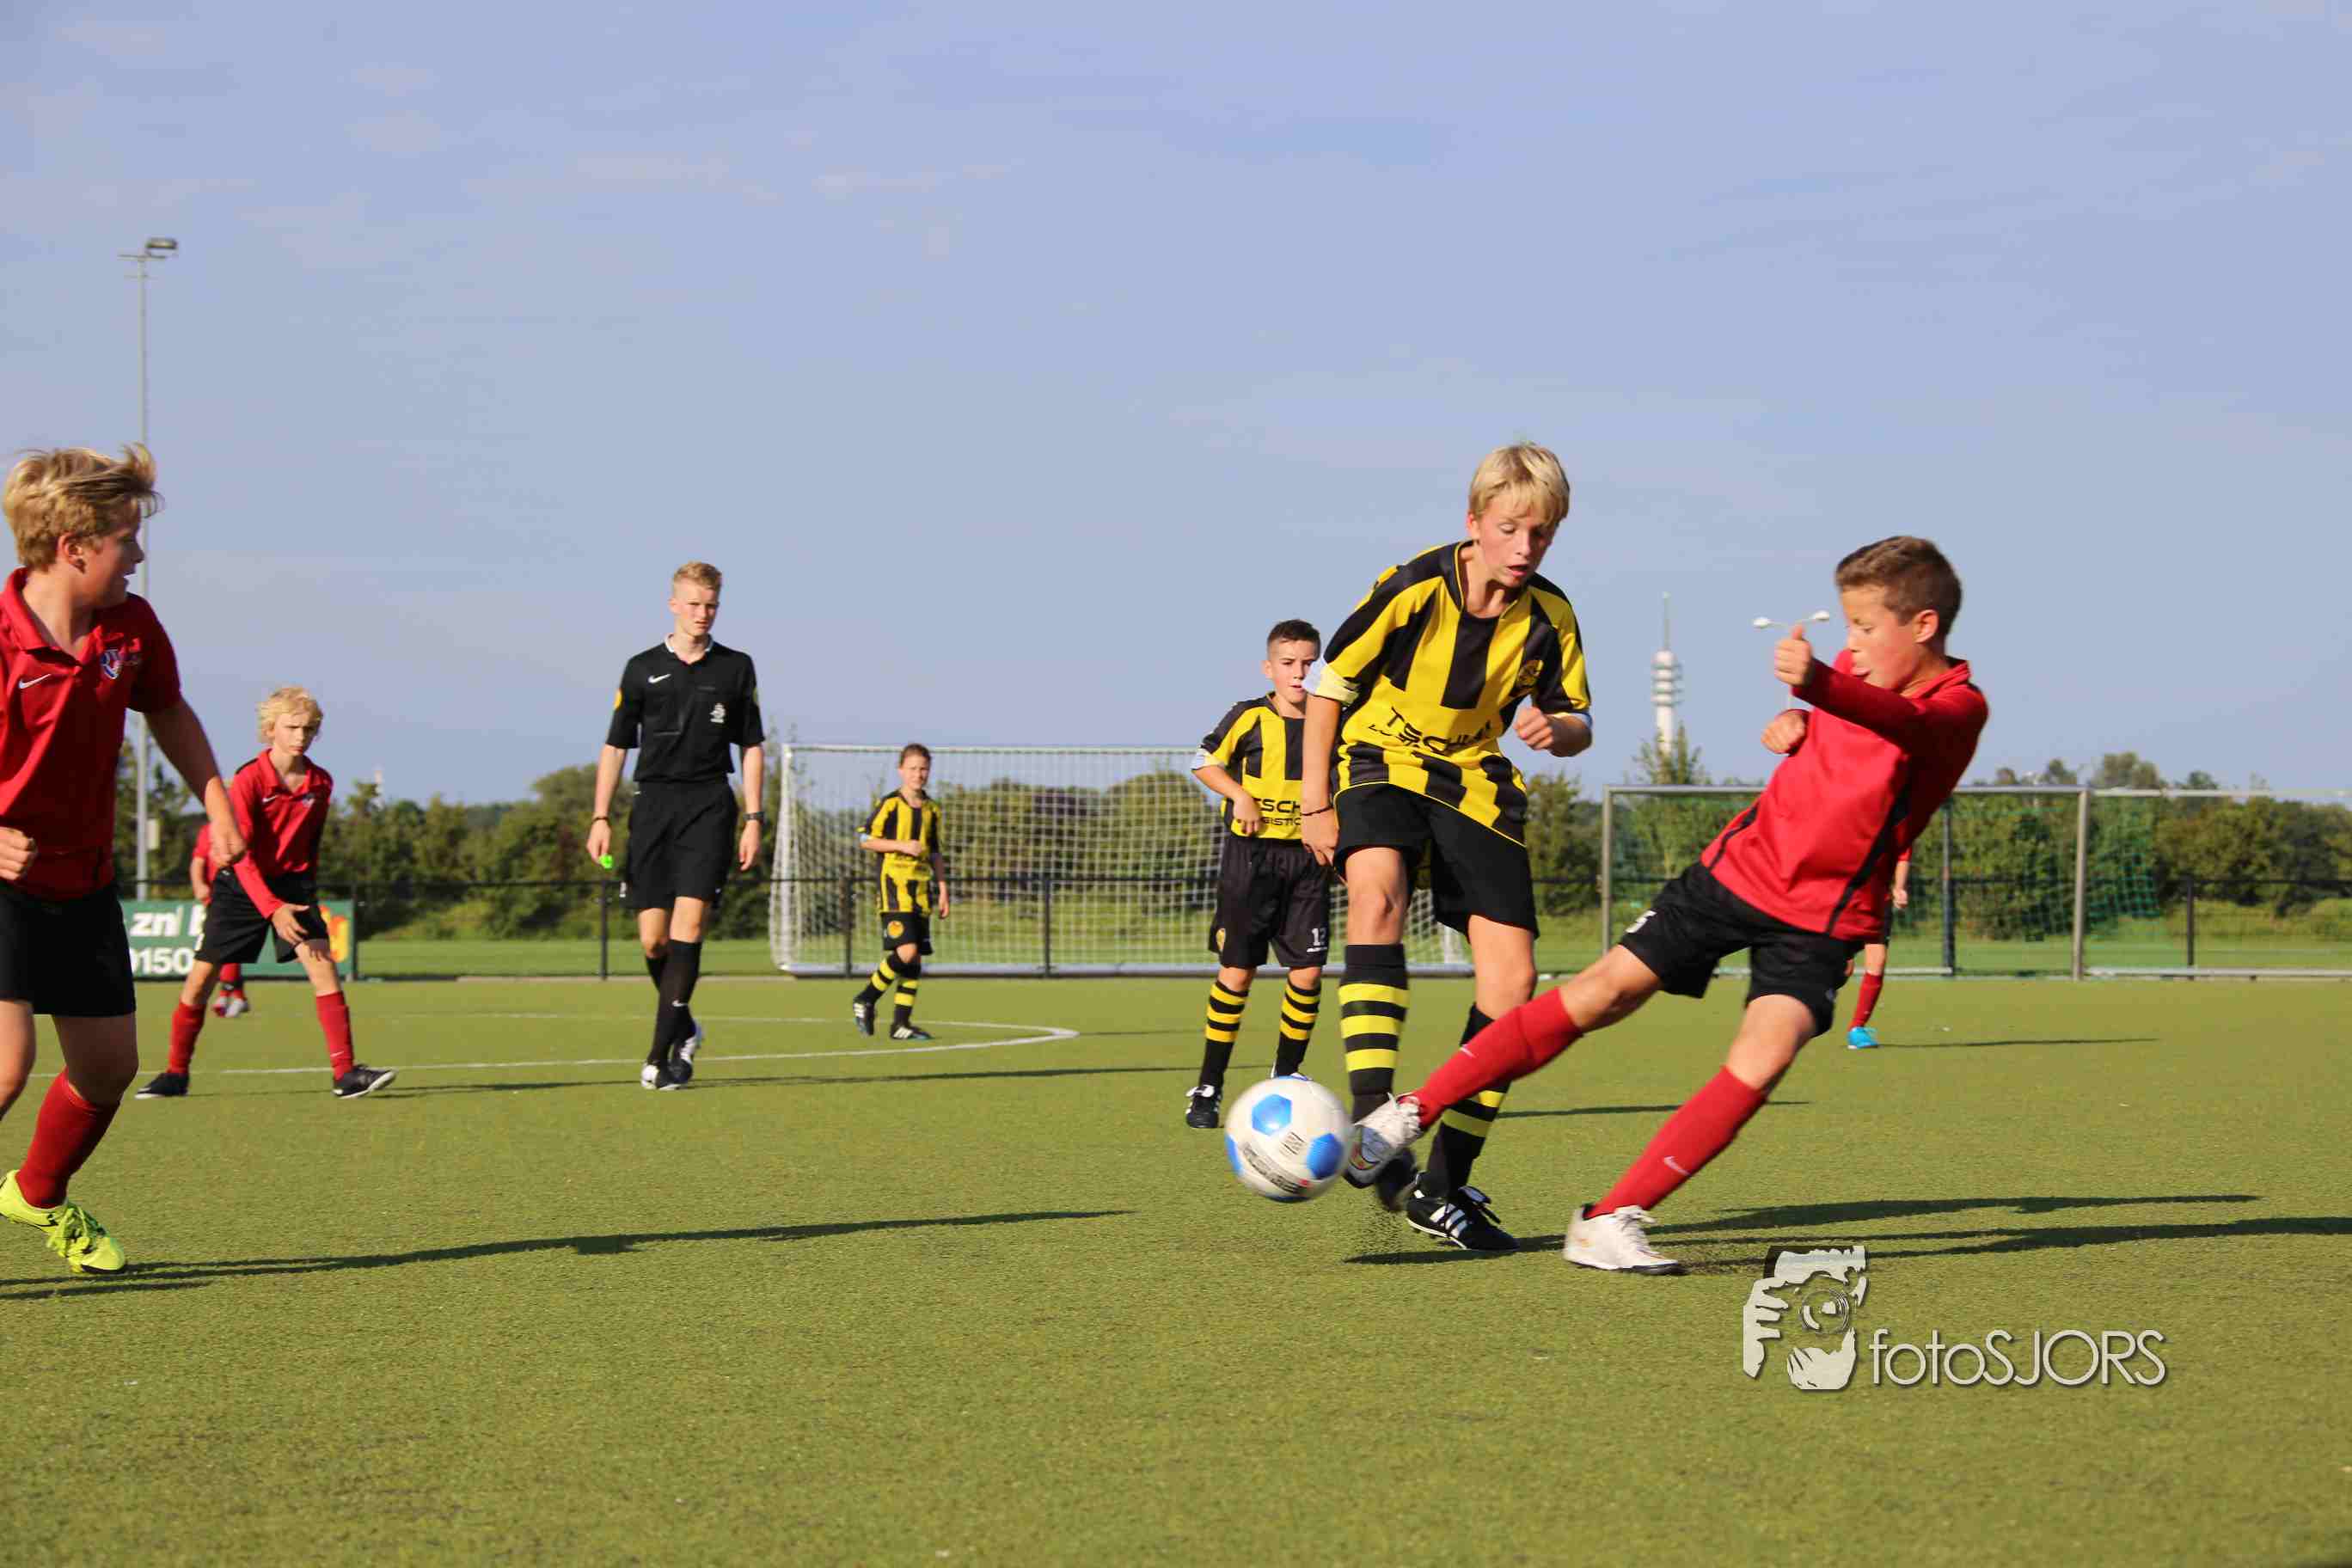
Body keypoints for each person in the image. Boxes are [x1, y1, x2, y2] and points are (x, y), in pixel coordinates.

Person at [1353, 536, 1987, 1273]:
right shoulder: (1855, 669)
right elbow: (1849, 734)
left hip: (1826, 916)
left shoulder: (1958, 707)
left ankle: (1608, 1221)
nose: (1853, 645)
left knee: (1764, 1057)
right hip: (1740, 871)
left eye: (1866, 628)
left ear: (1924, 625)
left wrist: (1816, 689)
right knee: (1602, 993)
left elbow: (1902, 727)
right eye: (1848, 627)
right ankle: (1404, 1116)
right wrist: (1802, 724)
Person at [1300, 443, 1593, 1251]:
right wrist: (1315, 801)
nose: (1525, 548)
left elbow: (1578, 719)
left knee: (1514, 980)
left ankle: (1443, 1182)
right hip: (1378, 758)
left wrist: (1559, 729)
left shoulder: (1551, 616)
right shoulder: (1413, 587)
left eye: (1541, 533)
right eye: (1510, 529)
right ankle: (1374, 1122)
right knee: (1378, 892)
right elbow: (1329, 689)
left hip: (1474, 779)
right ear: (1474, 523)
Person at [0, 444, 247, 1275]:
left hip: (82, 881)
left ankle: (36, 1195)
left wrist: (218, 802)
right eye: (125, 540)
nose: (138, 555)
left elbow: (168, 710)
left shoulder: (130, 627)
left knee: (108, 1070)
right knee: (6, 1067)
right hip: (1, 884)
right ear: (74, 548)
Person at [138, 687, 395, 1099]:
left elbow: (310, 848)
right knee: (200, 981)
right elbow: (241, 855)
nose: (301, 736)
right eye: (292, 727)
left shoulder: (321, 782)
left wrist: (302, 895)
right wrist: (273, 909)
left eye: (308, 729)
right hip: (240, 886)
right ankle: (175, 1074)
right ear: (270, 729)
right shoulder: (248, 780)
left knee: (324, 969)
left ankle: (345, 1074)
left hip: (293, 887)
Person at [587, 562, 765, 1090]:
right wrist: (600, 816)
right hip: (652, 807)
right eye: (693, 604)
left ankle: (659, 1057)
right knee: (653, 942)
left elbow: (751, 746)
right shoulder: (640, 668)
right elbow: (615, 747)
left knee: (689, 928)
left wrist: (754, 819)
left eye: (711, 606)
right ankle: (685, 1025)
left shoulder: (736, 667)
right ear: (673, 605)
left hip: (709, 805)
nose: (702, 614)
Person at [1183, 620, 1331, 1129]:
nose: (1300, 672)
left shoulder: (1333, 719)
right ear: (1270, 668)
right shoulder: (1248, 716)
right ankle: (1208, 1087)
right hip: (1251, 860)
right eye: (1289, 663)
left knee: (1308, 973)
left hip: (1308, 861)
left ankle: (1286, 1077)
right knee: (1237, 974)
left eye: (1309, 663)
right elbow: (1204, 761)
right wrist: (1239, 794)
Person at [851, 744, 947, 1042]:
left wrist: (943, 889)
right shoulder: (891, 804)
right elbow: (866, 839)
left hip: (921, 890)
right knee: (906, 951)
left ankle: (901, 1024)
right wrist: (902, 845)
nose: (919, 774)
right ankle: (865, 998)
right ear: (901, 771)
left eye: (924, 769)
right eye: (913, 768)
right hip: (894, 887)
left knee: (915, 957)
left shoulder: (932, 809)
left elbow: (936, 853)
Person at [1846, 849, 1910, 1049]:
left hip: (1878, 901)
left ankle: (1857, 1028)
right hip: (1846, 897)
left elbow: (1903, 855)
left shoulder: (1896, 830)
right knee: (1843, 968)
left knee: (1877, 960)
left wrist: (1899, 887)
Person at [188, 823, 250, 1018]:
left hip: (239, 895)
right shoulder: (207, 830)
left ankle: (227, 995)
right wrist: (199, 885)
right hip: (215, 897)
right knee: (222, 948)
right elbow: (198, 861)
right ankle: (236, 996)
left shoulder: (244, 825)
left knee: (228, 947)